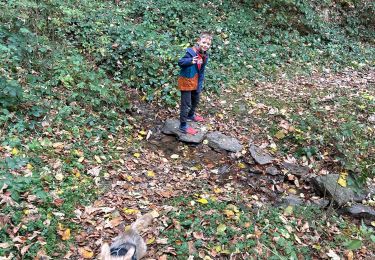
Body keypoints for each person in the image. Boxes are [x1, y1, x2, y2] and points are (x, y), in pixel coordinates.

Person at [177, 32, 212, 135]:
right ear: (198, 41)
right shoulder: (190, 52)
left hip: (196, 81)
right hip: (186, 82)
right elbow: (180, 62)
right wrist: (190, 61)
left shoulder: (205, 55)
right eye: (204, 42)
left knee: (195, 100)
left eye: (208, 44)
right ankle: (183, 126)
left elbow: (202, 70)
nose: (205, 45)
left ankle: (191, 115)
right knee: (186, 104)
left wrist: (200, 84)